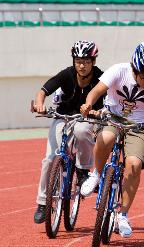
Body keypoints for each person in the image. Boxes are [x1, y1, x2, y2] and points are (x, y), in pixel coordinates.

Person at [80, 42, 144, 238]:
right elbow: (96, 92)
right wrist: (87, 104)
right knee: (106, 137)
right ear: (134, 69)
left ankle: (123, 215)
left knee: (134, 164)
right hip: (113, 117)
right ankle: (96, 174)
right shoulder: (118, 71)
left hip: (140, 125)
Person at [32, 40, 105, 224]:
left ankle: (82, 173)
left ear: (93, 62)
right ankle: (42, 203)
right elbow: (43, 91)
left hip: (88, 120)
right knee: (49, 159)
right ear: (74, 61)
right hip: (62, 117)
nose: (82, 65)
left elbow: (110, 100)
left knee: (82, 131)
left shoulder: (101, 78)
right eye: (78, 61)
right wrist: (40, 104)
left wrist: (99, 112)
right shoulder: (66, 75)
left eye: (86, 61)